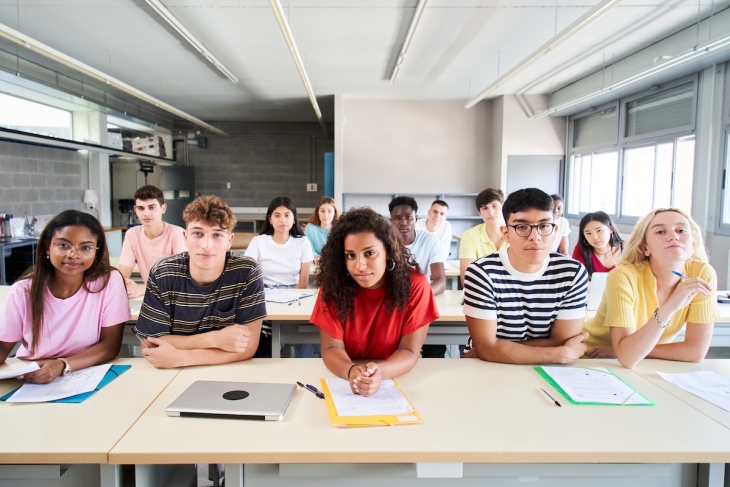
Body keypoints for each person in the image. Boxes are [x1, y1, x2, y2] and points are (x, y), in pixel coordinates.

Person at [310, 208, 439, 396]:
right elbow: (331, 348)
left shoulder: (416, 286)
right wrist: (352, 371)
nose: (359, 265)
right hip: (345, 376)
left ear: (388, 251)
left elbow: (409, 351)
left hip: (397, 377)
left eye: (369, 253)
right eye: (350, 255)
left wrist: (379, 372)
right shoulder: (334, 286)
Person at [134, 195, 266, 368]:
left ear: (229, 241)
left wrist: (181, 358)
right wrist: (216, 339)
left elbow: (247, 346)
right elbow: (150, 343)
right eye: (197, 233)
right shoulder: (163, 273)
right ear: (185, 237)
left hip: (228, 371)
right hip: (171, 373)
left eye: (217, 235)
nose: (206, 244)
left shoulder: (247, 271)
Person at [0, 210, 130, 383]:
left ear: (96, 252)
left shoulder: (108, 282)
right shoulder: (22, 291)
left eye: (85, 248)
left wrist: (62, 365)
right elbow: (3, 348)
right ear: (48, 246)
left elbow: (111, 345)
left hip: (87, 374)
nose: (73, 255)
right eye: (63, 245)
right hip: (33, 378)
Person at [463, 188, 589, 364]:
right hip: (490, 368)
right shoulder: (482, 272)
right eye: (522, 227)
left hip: (550, 370)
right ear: (505, 233)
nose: (535, 237)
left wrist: (497, 349)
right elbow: (486, 348)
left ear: (555, 231)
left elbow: (564, 341)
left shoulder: (572, 273)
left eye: (544, 226)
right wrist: (557, 354)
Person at [584, 208, 720, 369]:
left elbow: (695, 352)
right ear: (644, 248)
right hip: (590, 358)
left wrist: (628, 350)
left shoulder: (702, 274)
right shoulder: (623, 276)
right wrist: (668, 308)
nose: (674, 236)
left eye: (681, 230)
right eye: (661, 232)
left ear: (692, 243)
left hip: (643, 361)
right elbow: (627, 358)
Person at [118, 185, 187, 298]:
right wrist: (122, 285)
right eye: (141, 208)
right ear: (135, 210)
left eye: (152, 207)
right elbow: (124, 270)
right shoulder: (132, 234)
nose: (146, 213)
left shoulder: (177, 233)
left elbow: (180, 278)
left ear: (163, 208)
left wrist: (141, 288)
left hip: (176, 299)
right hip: (153, 298)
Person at [245, 196, 313, 289]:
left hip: (294, 292)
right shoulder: (258, 242)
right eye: (277, 216)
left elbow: (303, 283)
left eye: (287, 215)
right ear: (270, 219)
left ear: (294, 219)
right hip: (264, 291)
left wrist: (290, 296)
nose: (282, 220)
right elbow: (246, 274)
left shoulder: (303, 242)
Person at [388, 196, 446, 295]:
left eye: (408, 217)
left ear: (416, 219)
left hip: (421, 294)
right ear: (391, 221)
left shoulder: (429, 240)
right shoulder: (383, 242)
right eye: (397, 218)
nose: (403, 222)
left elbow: (441, 281)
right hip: (392, 296)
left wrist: (420, 296)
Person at [459, 188, 509, 284]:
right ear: (479, 212)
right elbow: (467, 279)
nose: (491, 212)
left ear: (503, 206)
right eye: (485, 208)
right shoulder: (470, 235)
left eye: (494, 206)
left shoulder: (516, 233)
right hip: (481, 293)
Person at [572, 211, 624, 278]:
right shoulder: (581, 248)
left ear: (610, 229)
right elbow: (575, 277)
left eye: (599, 230)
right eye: (588, 233)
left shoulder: (627, 249)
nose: (595, 237)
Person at [304, 196, 339, 264]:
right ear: (318, 212)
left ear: (334, 213)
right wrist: (315, 257)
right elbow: (309, 250)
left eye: (329, 211)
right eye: (322, 211)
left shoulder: (339, 228)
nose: (326, 215)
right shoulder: (310, 228)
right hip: (315, 264)